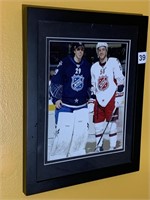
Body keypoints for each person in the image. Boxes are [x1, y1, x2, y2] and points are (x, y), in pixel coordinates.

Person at [50, 42, 91, 158]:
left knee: (79, 136)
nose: (80, 51)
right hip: (65, 105)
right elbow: (55, 81)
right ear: (74, 50)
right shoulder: (65, 63)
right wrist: (56, 99)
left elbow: (89, 84)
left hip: (81, 106)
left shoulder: (87, 65)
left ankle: (76, 160)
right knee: (63, 135)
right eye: (78, 49)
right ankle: (58, 159)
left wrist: (89, 98)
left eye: (82, 49)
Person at [90, 42, 125, 152]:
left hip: (111, 98)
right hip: (99, 99)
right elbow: (93, 86)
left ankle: (112, 147)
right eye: (99, 50)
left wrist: (119, 97)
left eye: (103, 49)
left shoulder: (113, 62)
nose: (101, 52)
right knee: (97, 125)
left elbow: (120, 80)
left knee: (112, 125)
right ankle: (99, 147)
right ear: (97, 52)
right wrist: (92, 100)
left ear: (106, 51)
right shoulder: (94, 67)